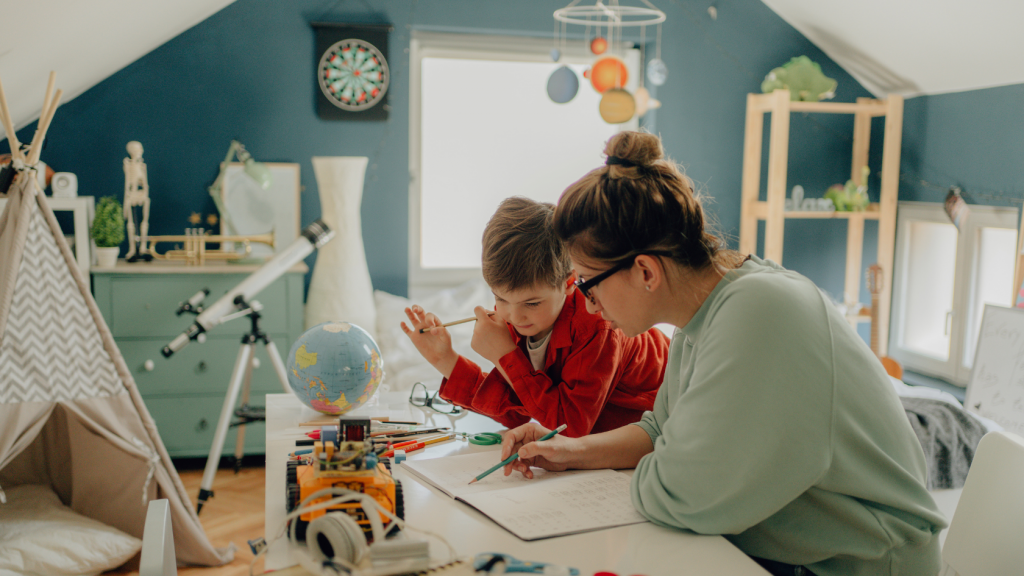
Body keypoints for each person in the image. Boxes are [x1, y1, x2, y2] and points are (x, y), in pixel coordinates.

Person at [498, 132, 946, 576]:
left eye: (587, 283)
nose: (588, 304)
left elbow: (683, 496)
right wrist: (570, 450)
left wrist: (667, 461)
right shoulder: (702, 315)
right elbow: (660, 430)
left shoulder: (759, 311)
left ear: (645, 271)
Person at [401, 196, 670, 438]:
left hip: (670, 412)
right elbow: (517, 411)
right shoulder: (525, 319)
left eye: (531, 302)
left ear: (569, 283)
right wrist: (445, 359)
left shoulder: (597, 326)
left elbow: (570, 427)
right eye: (500, 298)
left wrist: (504, 356)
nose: (514, 315)